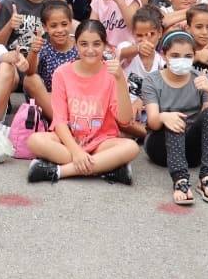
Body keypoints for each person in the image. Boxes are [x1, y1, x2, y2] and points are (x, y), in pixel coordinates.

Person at [24, 20, 139, 184]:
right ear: (76, 45)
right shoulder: (62, 73)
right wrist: (76, 151)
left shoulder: (113, 73)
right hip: (69, 140)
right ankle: (106, 167)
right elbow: (60, 121)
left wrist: (120, 80)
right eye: (84, 44)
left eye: (97, 44)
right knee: (35, 141)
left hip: (102, 142)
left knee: (131, 147)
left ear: (105, 46)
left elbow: (125, 119)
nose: (90, 50)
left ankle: (58, 171)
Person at [143, 29, 208, 204]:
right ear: (164, 55)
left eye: (188, 56)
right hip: (160, 146)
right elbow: (152, 122)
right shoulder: (152, 80)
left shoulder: (199, 79)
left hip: (192, 150)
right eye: (175, 55)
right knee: (175, 119)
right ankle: (180, 179)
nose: (182, 60)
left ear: (194, 56)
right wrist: (165, 116)